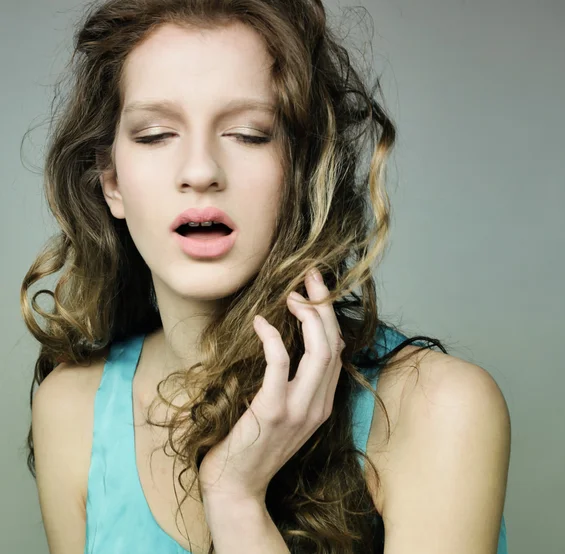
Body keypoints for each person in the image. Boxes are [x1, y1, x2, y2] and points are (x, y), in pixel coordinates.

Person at [21, 1, 511, 553]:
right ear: (110, 181)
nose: (201, 171)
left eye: (250, 134)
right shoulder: (71, 411)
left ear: (300, 170)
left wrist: (235, 499)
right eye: (155, 134)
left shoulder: (440, 409)